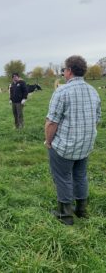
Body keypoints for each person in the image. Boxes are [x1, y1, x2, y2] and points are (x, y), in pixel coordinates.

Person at [45, 55, 101, 225]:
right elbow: (97, 118)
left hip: (65, 147)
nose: (63, 72)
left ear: (69, 71)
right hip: (85, 145)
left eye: (64, 70)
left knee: (62, 177)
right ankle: (81, 209)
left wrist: (48, 141)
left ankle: (65, 215)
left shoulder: (61, 91)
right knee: (80, 176)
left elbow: (52, 122)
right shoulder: (93, 91)